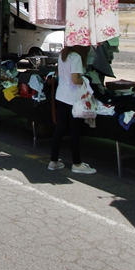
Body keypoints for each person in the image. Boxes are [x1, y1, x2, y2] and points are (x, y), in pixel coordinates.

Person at [48, 45, 97, 174]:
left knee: (60, 129)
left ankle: (54, 160)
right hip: (73, 99)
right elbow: (75, 80)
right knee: (75, 132)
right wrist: (85, 80)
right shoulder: (76, 57)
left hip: (61, 95)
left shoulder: (63, 55)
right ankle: (77, 163)